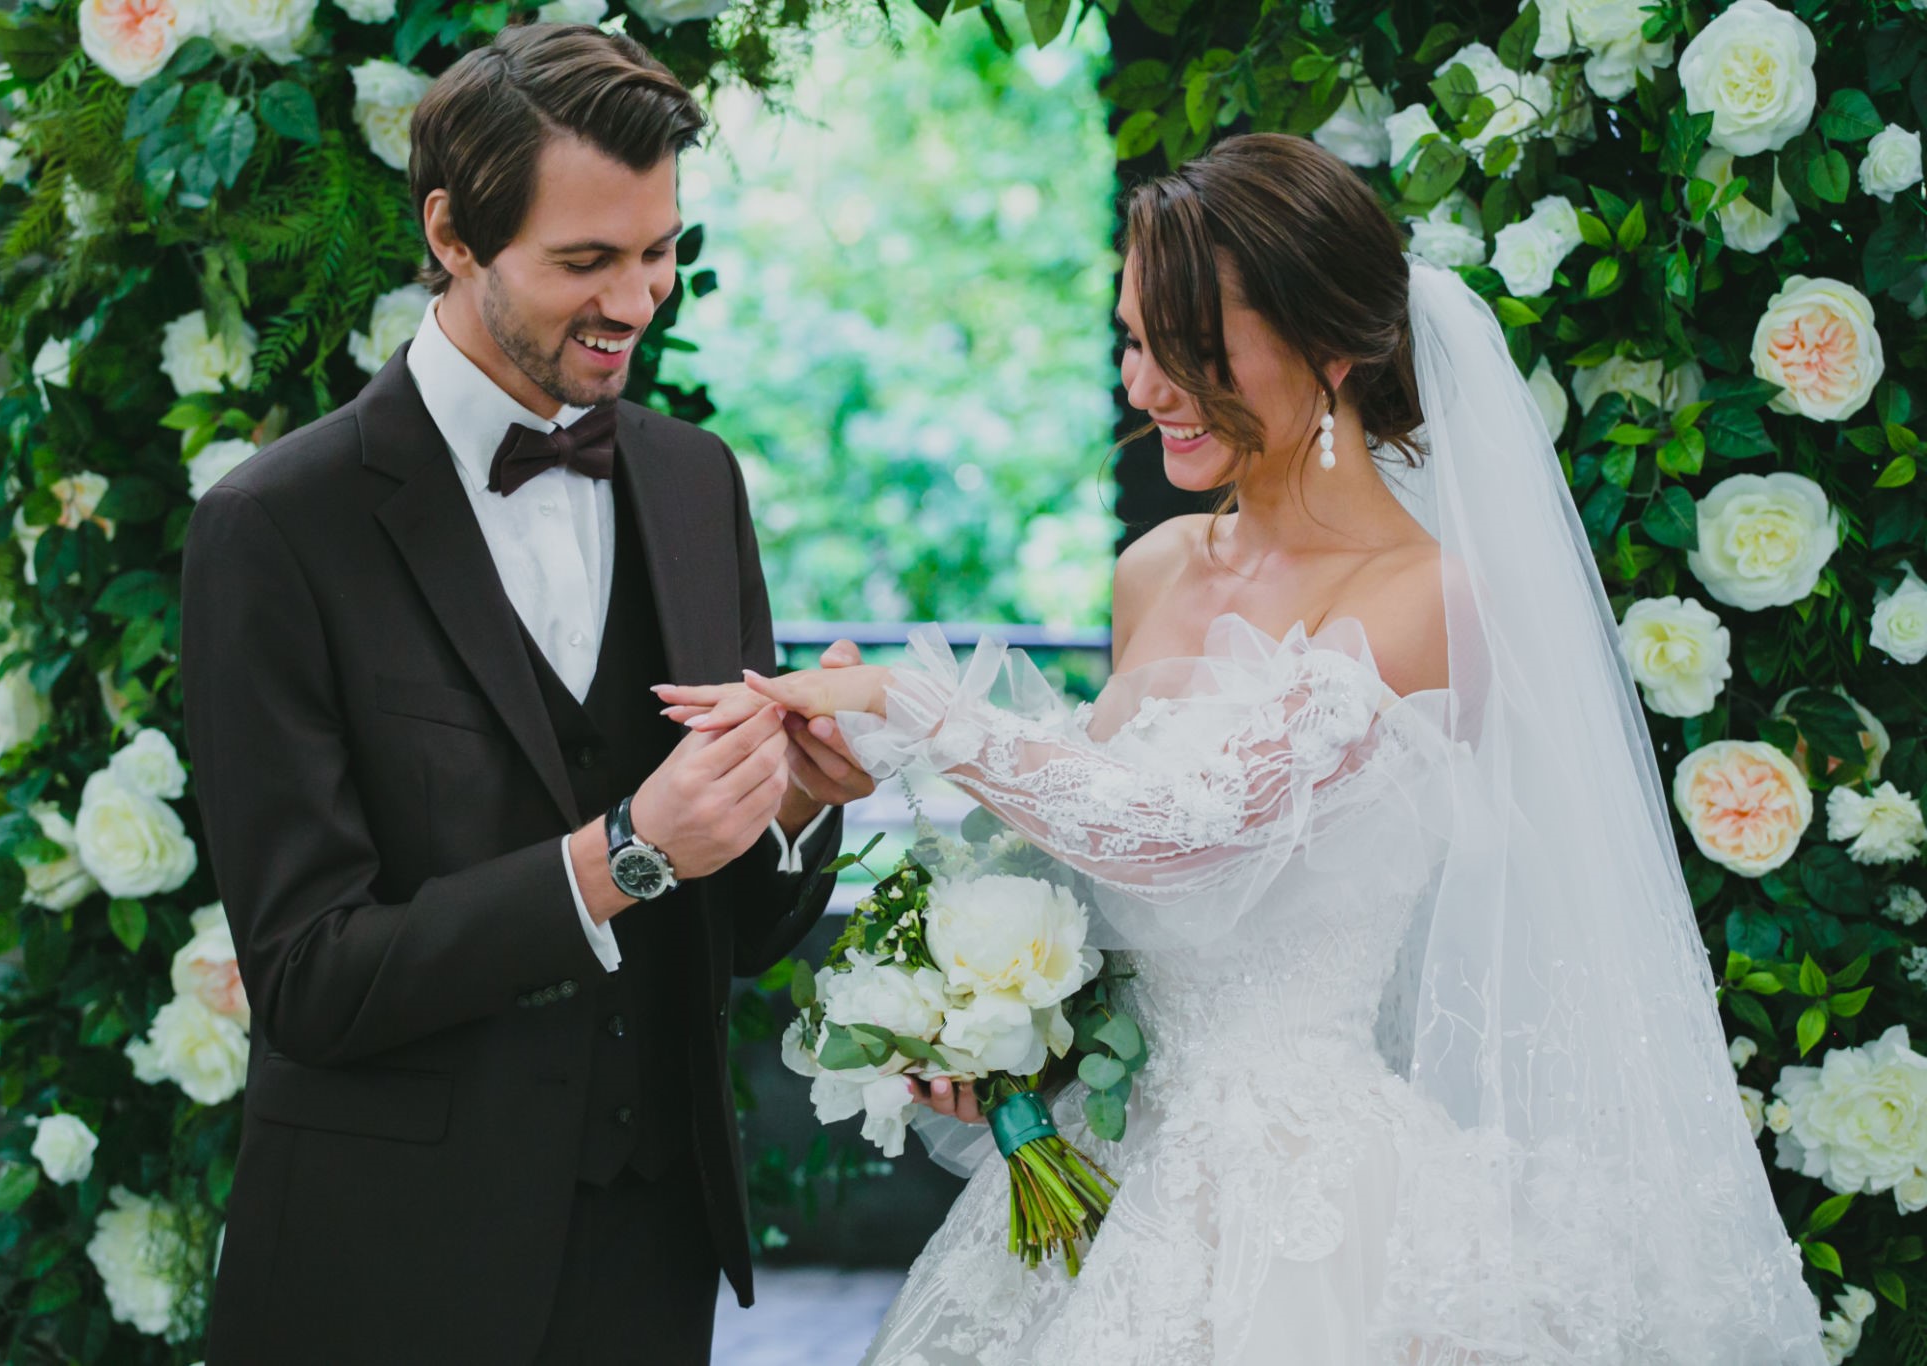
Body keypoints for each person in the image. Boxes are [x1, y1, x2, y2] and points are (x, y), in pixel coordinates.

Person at [659, 133, 1827, 1363]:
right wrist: (1002, 1036)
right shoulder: (1150, 570)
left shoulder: (1424, 596)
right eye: (1129, 338)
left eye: (1191, 348)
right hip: (1108, 1165)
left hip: (1304, 1198)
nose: (1146, 383)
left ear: (1333, 349)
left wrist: (914, 705)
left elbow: (1180, 835)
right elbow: (1098, 862)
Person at [179, 24, 867, 1365]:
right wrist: (620, 856)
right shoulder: (275, 530)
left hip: (647, 1258)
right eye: (585, 262)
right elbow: (310, 979)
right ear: (452, 232)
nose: (637, 299)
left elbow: (750, 928)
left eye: (657, 249)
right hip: (382, 1272)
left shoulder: (693, 481)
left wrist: (788, 806)